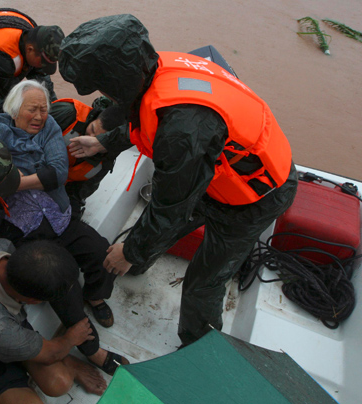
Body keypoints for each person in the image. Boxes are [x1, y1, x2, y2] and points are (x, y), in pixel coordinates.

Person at [58, 14, 298, 346]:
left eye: (104, 86)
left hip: (251, 200)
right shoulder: (159, 68)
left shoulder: (182, 130)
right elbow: (149, 117)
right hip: (211, 169)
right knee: (153, 226)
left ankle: (197, 346)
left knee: (203, 284)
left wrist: (129, 251)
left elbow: (172, 207)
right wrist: (104, 141)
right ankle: (139, 260)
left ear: (119, 78)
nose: (104, 94)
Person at [0, 81, 127, 373]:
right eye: (31, 109)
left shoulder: (48, 130)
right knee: (61, 283)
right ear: (14, 109)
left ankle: (96, 296)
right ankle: (92, 349)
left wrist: (12, 181)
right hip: (25, 228)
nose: (39, 116)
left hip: (59, 216)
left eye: (43, 109)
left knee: (101, 251)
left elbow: (58, 173)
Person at [0, 238, 108, 403]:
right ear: (33, 301)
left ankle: (62, 358)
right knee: (58, 383)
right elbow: (51, 354)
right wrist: (70, 339)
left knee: (59, 383)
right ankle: (59, 356)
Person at [50, 97, 128, 219]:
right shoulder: (67, 112)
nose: (89, 140)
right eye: (92, 129)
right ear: (95, 117)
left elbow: (79, 192)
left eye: (96, 139)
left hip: (53, 188)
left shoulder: (104, 162)